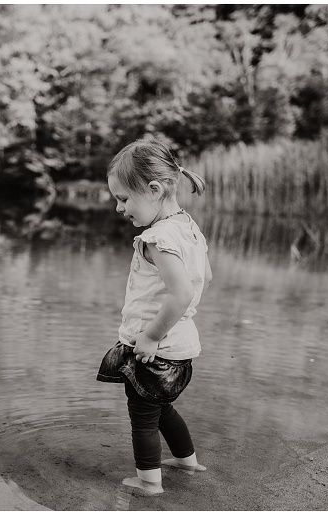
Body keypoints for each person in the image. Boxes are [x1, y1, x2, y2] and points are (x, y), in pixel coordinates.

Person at [96, 137, 212, 495]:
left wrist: (150, 336)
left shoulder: (157, 238)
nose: (119, 208)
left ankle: (148, 483)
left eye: (123, 199)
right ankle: (187, 461)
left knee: (143, 417)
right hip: (181, 344)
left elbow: (181, 293)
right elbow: (205, 278)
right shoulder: (188, 227)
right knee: (162, 409)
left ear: (154, 189)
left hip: (155, 349)